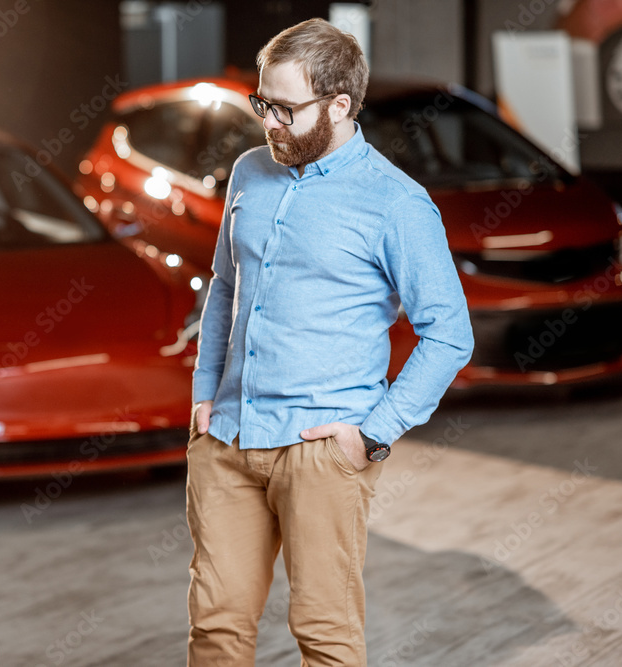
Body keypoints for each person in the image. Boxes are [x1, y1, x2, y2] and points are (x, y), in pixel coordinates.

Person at [186, 17, 474, 666]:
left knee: (325, 634)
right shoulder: (248, 173)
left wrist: (373, 432)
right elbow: (225, 289)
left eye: (286, 109)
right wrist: (205, 396)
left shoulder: (396, 203)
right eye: (262, 104)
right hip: (227, 440)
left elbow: (449, 334)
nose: (270, 123)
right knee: (217, 627)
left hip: (321, 452)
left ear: (340, 104)